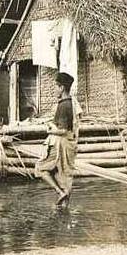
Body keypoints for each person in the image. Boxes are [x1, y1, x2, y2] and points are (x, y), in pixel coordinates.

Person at [35, 73, 78, 209]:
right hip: (69, 143)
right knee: (64, 176)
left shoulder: (63, 106)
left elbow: (63, 130)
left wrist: (49, 130)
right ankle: (64, 207)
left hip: (61, 143)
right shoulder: (71, 102)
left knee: (40, 168)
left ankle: (59, 192)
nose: (54, 89)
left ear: (62, 87)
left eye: (56, 86)